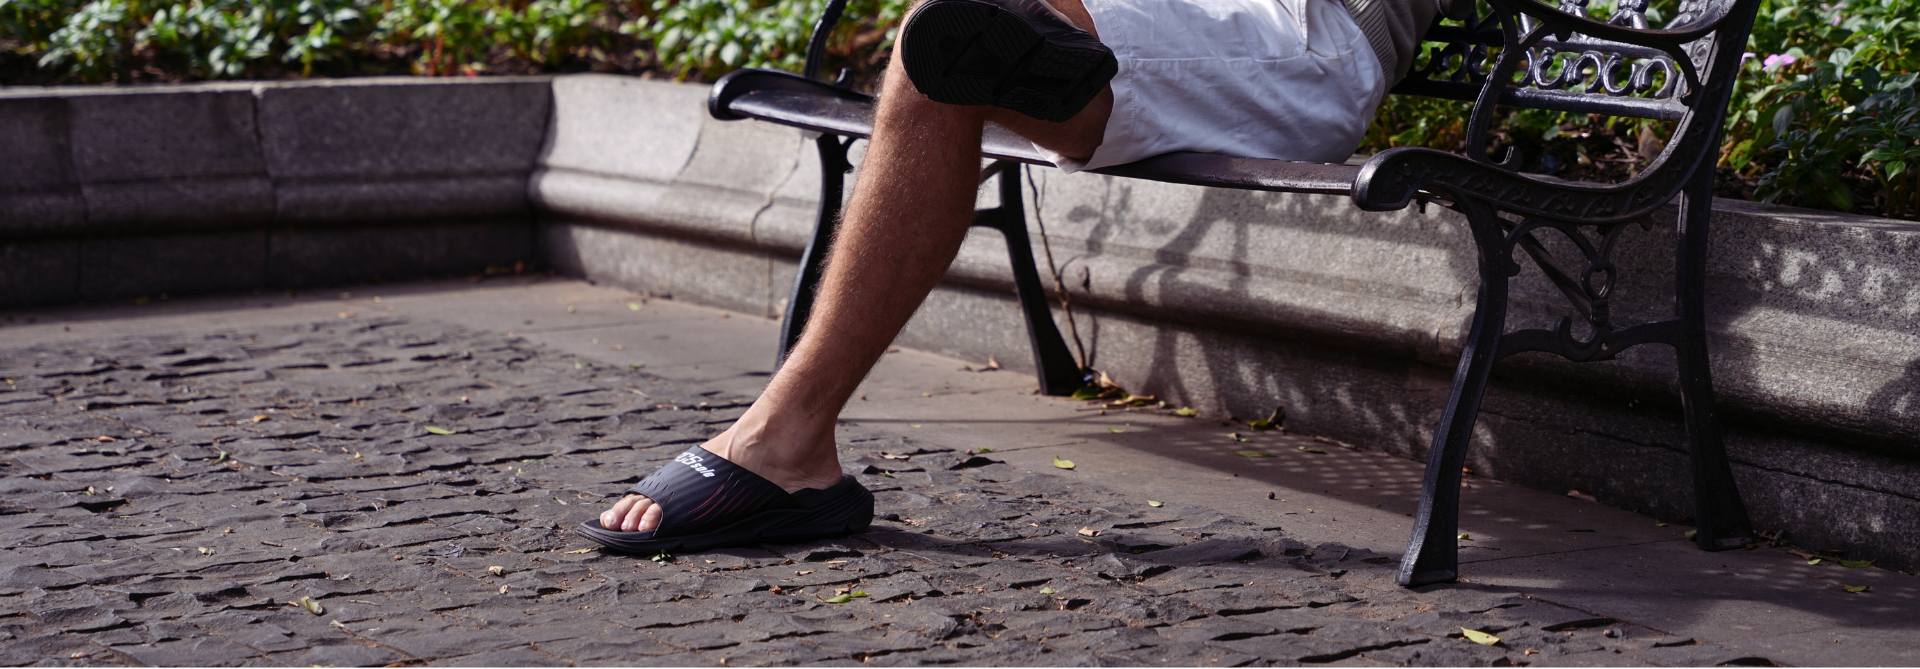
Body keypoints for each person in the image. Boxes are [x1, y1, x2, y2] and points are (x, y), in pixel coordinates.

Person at [578, 0, 1469, 551]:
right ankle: (1029, 54)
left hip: (1299, 33)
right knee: (950, 44)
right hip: (1186, 16)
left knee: (951, 49)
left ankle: (785, 437)